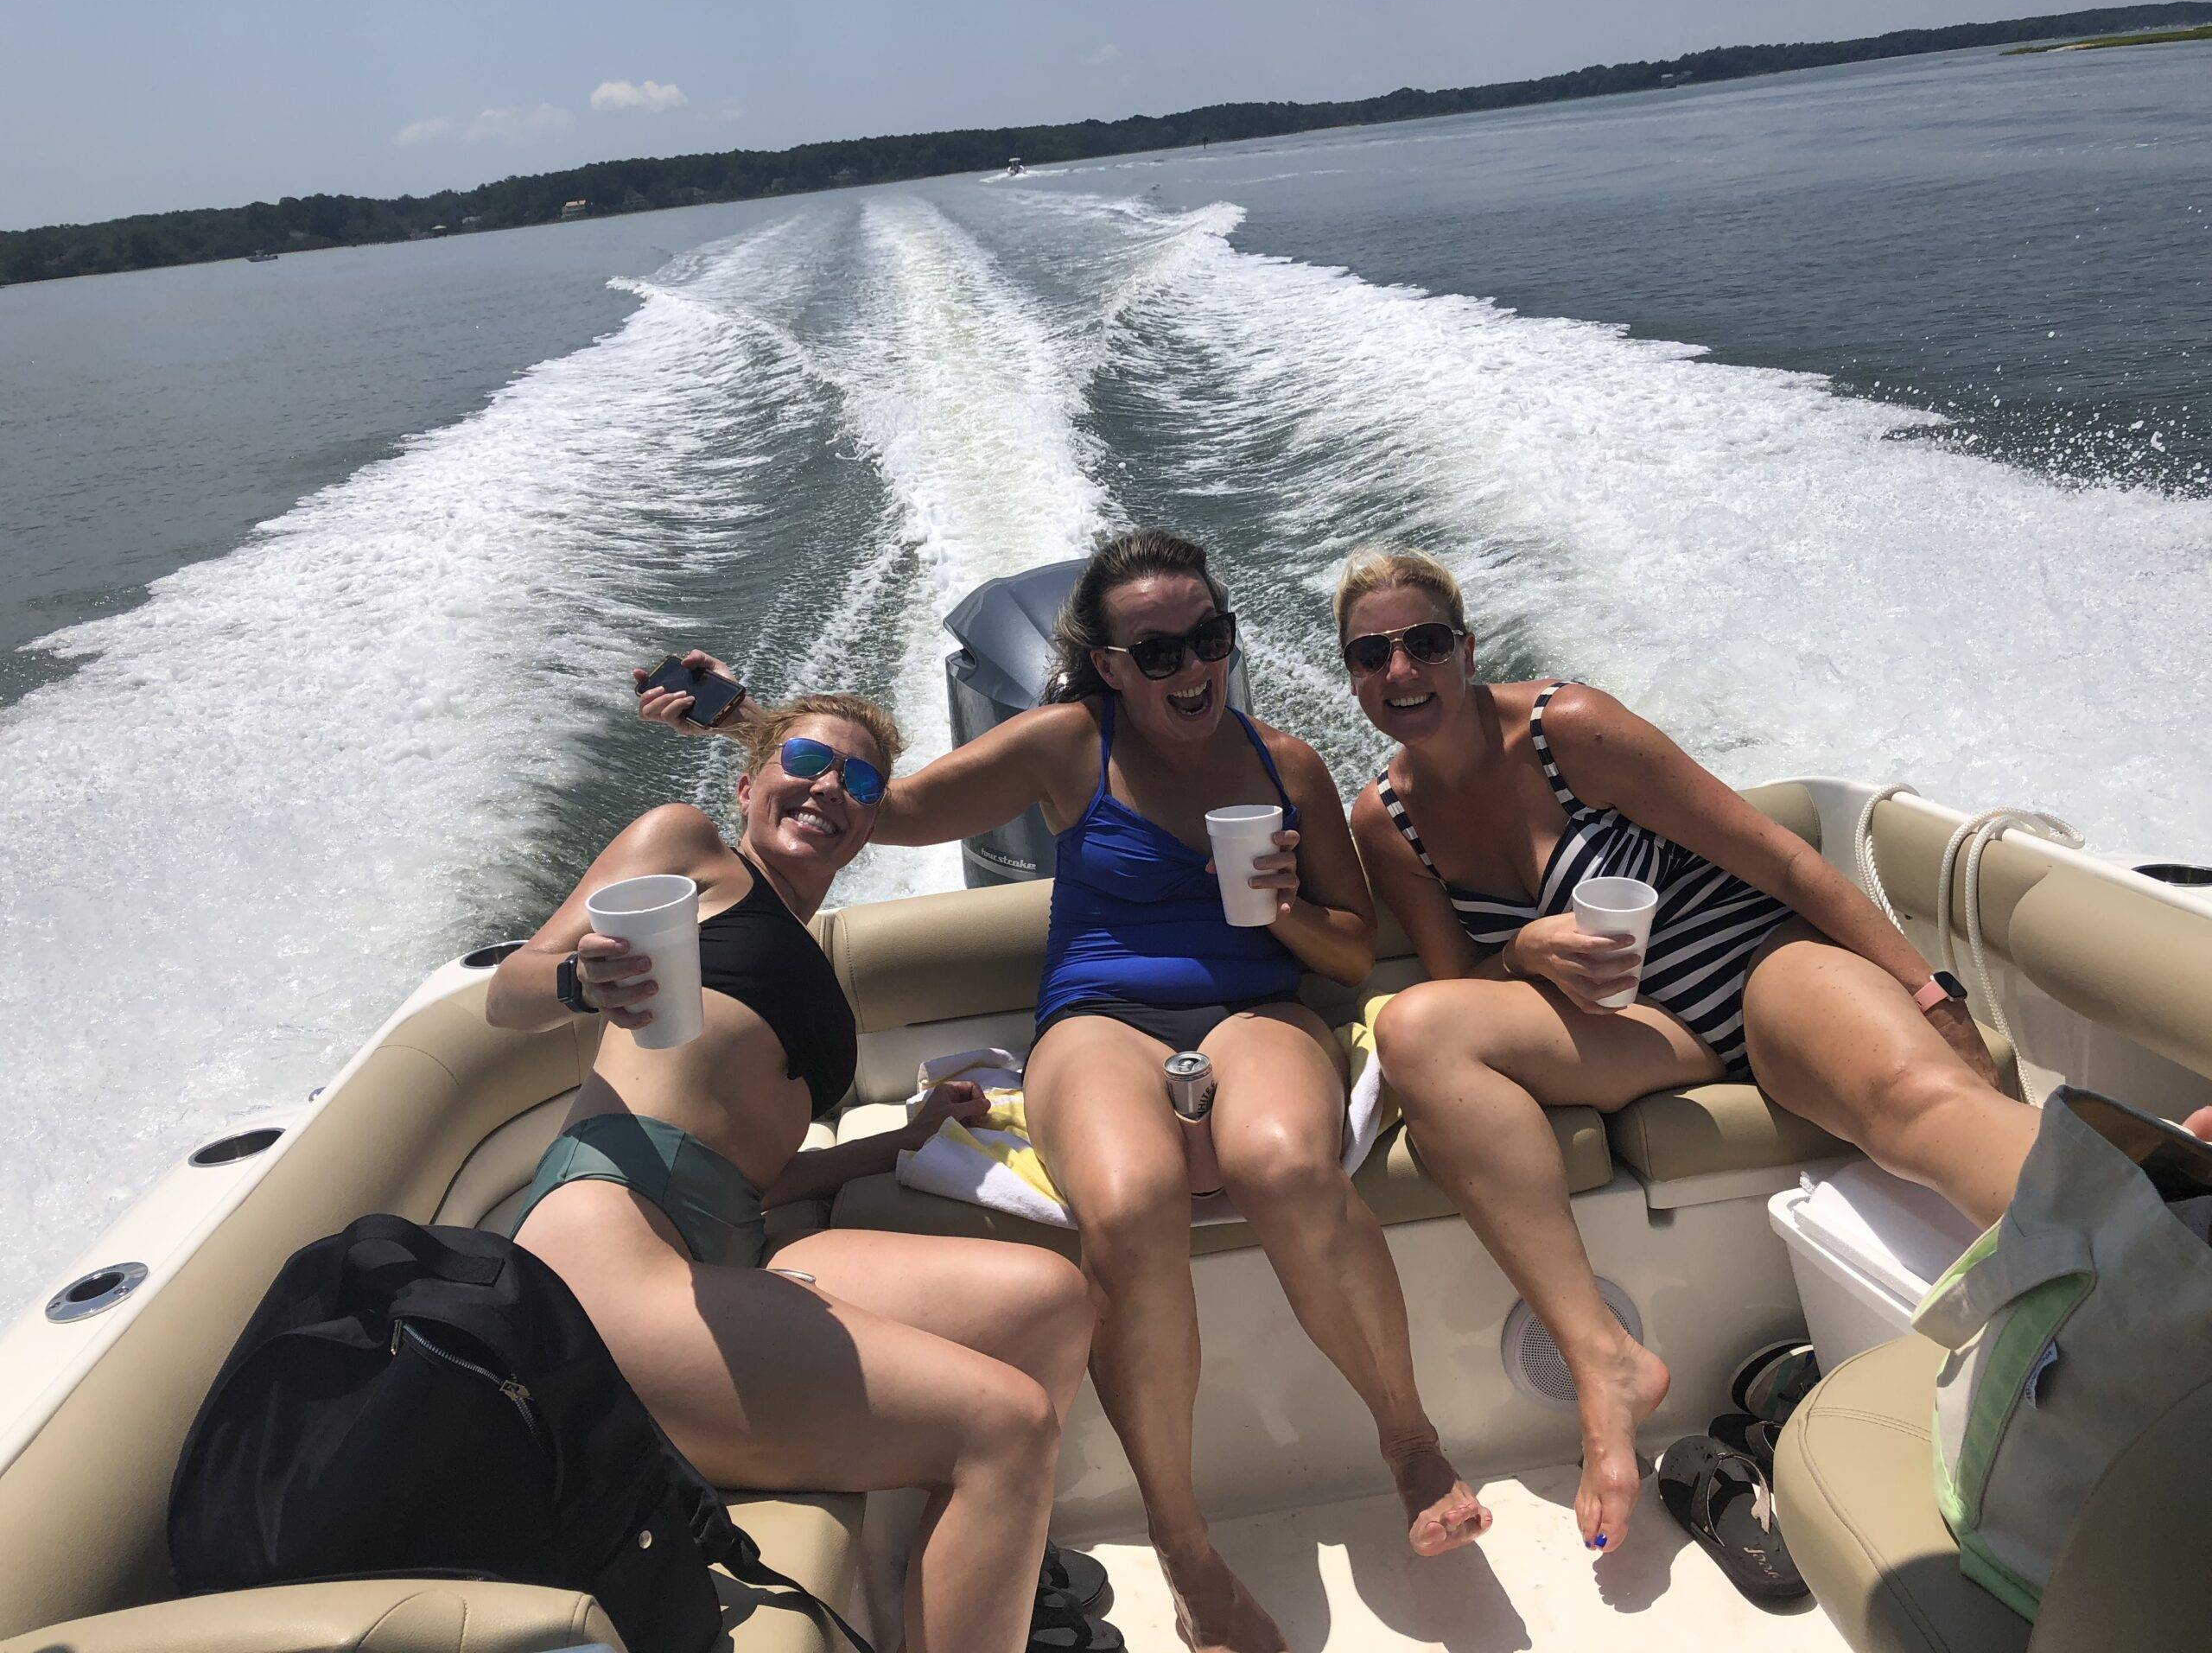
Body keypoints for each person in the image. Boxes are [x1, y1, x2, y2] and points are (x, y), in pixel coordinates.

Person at [644, 531, 1482, 1653]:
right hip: (1098, 1028)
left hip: (1258, 1015)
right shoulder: (1062, 748)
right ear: (1109, 667)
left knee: (1289, 1163)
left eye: (1210, 638)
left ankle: (1408, 1439)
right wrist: (746, 719)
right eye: (1157, 648)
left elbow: (1347, 949)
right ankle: (1185, 1547)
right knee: (1128, 1209)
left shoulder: (1287, 766)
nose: (1191, 665)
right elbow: (884, 807)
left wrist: (1282, 910)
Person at [1333, 545, 2050, 1555]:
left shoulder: (1567, 729)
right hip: (1638, 1031)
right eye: (1371, 655)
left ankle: (2145, 1222)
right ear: (1352, 674)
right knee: (1412, 1027)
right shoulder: (1385, 818)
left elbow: (1787, 860)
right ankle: (1605, 1365)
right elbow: (1463, 987)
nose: (1400, 671)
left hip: (1759, 967)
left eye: (1424, 642)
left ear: (1467, 646)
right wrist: (1522, 950)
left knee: (1911, 1099)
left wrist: (1932, 999)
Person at [488, 692, 1097, 1653]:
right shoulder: (690, 850)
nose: (828, 787)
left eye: (859, 780)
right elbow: (508, 990)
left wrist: (904, 1138)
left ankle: (975, 1588)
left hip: (728, 1252)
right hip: (606, 1265)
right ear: (746, 783)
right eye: (806, 759)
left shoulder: (801, 947)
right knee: (1006, 1424)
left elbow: (761, 1177)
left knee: (1050, 1301)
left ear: (869, 824)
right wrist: (578, 980)